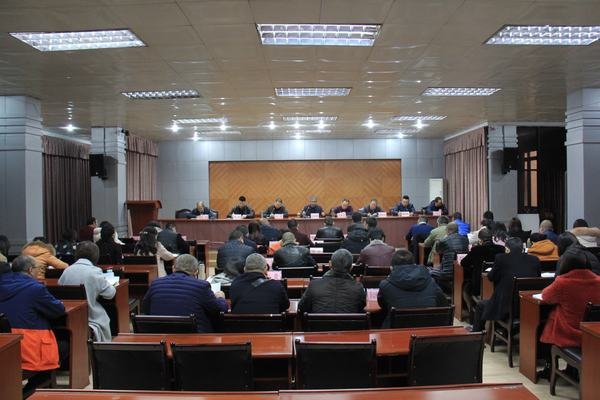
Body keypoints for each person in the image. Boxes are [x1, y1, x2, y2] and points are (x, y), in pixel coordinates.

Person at [0, 255, 66, 395]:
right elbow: (58, 310)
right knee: (63, 345)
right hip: (28, 349)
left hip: (5, 346)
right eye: (38, 268)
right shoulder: (35, 289)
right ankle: (26, 394)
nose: (39, 271)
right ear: (30, 270)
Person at [142, 254, 227, 332]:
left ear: (173, 268)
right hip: (194, 339)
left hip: (160, 336)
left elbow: (145, 309)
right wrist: (221, 298)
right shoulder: (202, 286)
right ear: (196, 272)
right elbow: (219, 310)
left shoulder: (156, 283)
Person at [472, 237, 541, 332]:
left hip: (506, 307)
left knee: (481, 305)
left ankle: (477, 333)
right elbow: (538, 278)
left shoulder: (501, 258)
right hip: (528, 306)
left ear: (507, 249)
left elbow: (491, 277)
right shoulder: (534, 259)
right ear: (523, 249)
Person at [540, 247, 600, 348]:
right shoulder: (598, 281)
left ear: (564, 264)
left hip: (568, 333)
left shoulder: (563, 282)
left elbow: (546, 296)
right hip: (593, 333)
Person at [58, 241, 116, 341]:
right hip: (90, 317)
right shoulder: (94, 272)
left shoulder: (67, 270)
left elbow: (60, 286)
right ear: (96, 257)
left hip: (69, 316)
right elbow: (110, 294)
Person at [377, 249, 448, 328]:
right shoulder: (431, 281)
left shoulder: (385, 285)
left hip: (397, 330)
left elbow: (382, 307)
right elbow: (443, 304)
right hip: (427, 329)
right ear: (414, 264)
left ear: (391, 268)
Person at [298, 249, 366, 313]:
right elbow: (361, 308)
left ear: (330, 264)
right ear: (351, 268)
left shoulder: (314, 285)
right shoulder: (358, 288)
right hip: (349, 322)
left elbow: (302, 307)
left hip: (318, 322)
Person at [460, 228, 505, 311]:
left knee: (466, 287)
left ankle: (471, 310)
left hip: (478, 285)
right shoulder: (501, 249)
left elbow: (463, 263)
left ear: (480, 240)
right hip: (497, 283)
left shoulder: (476, 250)